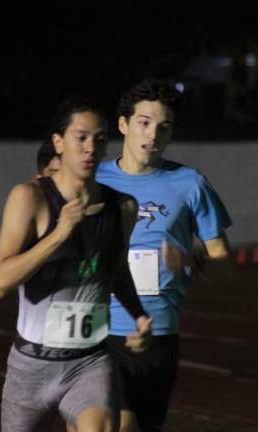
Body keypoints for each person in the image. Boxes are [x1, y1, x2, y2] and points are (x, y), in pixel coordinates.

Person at [0, 97, 152, 432]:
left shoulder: (123, 207)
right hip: (31, 365)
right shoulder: (30, 198)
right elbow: (0, 282)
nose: (90, 147)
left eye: (100, 138)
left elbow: (117, 270)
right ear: (59, 142)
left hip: (89, 362)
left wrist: (138, 315)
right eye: (80, 137)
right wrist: (58, 233)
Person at [96, 79, 232, 432]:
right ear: (123, 124)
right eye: (143, 122)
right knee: (117, 425)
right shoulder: (95, 179)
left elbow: (220, 254)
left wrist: (189, 260)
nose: (153, 133)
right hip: (102, 330)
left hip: (160, 332)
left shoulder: (190, 183)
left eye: (163, 126)